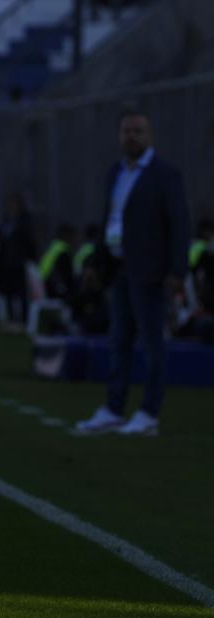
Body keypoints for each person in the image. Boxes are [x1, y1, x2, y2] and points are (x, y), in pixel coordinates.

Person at [76, 109, 191, 437]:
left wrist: (177, 269)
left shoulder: (165, 174)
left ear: (150, 136)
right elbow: (109, 221)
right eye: (127, 131)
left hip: (151, 272)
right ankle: (114, 408)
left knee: (152, 345)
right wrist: (96, 265)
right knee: (119, 342)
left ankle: (149, 412)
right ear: (119, 135)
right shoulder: (116, 173)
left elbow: (179, 224)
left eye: (138, 131)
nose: (132, 137)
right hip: (119, 269)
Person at [0, 191, 36, 328]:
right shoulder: (6, 220)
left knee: (21, 292)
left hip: (19, 261)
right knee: (9, 292)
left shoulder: (24, 220)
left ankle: (23, 319)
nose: (10, 206)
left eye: (13, 203)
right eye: (9, 203)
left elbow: (29, 240)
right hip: (6, 262)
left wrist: (29, 258)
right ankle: (12, 318)